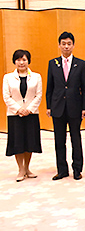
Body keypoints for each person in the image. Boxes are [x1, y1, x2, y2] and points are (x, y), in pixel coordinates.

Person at [46, 32, 85, 181]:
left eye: (69, 43)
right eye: (63, 43)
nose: (66, 46)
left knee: (75, 139)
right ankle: (62, 170)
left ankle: (77, 169)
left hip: (75, 107)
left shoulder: (81, 64)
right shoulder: (53, 63)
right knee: (59, 140)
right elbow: (49, 87)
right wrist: (48, 106)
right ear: (59, 45)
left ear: (73, 45)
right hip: (57, 107)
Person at [3, 49, 42, 182]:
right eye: (19, 59)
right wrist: (19, 109)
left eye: (24, 59)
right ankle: (20, 169)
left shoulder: (36, 77)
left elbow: (39, 95)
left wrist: (29, 109)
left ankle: (27, 168)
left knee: (30, 141)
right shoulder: (8, 77)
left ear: (28, 61)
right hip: (15, 115)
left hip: (31, 114)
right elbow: (6, 97)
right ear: (15, 61)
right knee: (18, 142)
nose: (21, 62)